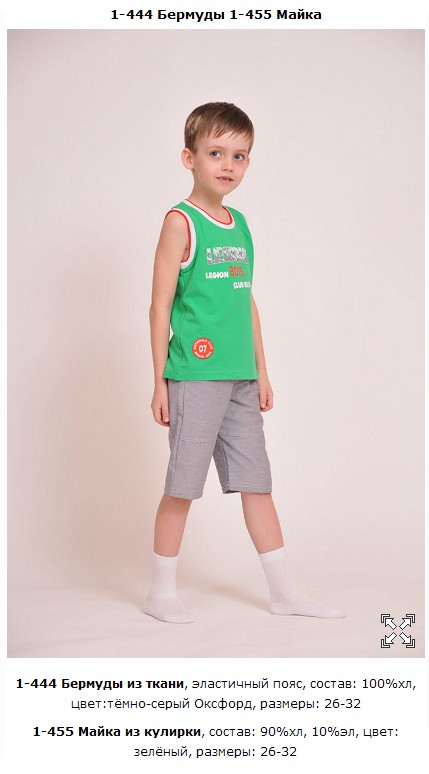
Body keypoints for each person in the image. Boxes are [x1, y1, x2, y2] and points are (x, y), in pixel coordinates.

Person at [144, 102, 345, 624]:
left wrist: (262, 370)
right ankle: (160, 592)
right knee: (183, 486)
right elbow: (160, 305)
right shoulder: (180, 222)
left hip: (240, 378)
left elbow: (245, 300)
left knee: (258, 483)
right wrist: (160, 381)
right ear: (189, 158)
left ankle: (284, 593)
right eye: (216, 153)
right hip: (194, 377)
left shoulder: (240, 226)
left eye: (239, 155)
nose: (228, 165)